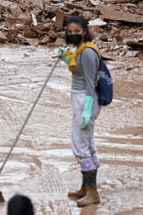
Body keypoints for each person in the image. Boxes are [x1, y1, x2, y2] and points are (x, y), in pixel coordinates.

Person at [55, 14, 103, 206]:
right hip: (80, 98)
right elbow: (79, 71)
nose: (73, 34)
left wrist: (86, 111)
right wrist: (66, 59)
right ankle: (85, 188)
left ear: (85, 31)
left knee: (79, 146)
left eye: (77, 31)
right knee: (87, 144)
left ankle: (93, 193)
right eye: (70, 32)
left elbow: (91, 83)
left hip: (86, 99)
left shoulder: (89, 52)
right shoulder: (80, 49)